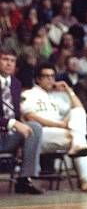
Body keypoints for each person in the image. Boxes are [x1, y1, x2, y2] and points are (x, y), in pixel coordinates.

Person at [21, 62, 87, 192]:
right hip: (40, 134)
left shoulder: (55, 97)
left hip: (59, 134)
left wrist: (69, 90)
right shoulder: (29, 94)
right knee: (78, 139)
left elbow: (80, 108)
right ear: (38, 79)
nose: (51, 79)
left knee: (77, 112)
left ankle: (79, 151)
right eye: (46, 76)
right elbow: (30, 117)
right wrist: (60, 125)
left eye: (52, 76)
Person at [0, 47, 44, 194]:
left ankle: (25, 179)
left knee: (34, 127)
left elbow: (15, 113)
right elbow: (13, 121)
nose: (9, 64)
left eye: (12, 61)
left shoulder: (16, 83)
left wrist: (19, 125)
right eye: (5, 59)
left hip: (9, 134)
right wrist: (12, 123)